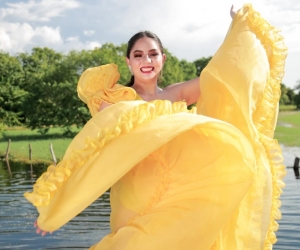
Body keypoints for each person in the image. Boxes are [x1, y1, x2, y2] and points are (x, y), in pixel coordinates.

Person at [24, 4, 287, 250]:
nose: (145, 60)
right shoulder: (114, 100)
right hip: (134, 195)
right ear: (128, 62)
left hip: (179, 193)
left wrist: (241, 28)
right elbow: (93, 152)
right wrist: (56, 208)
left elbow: (224, 78)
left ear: (163, 59)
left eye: (152, 54)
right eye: (138, 55)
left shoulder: (176, 94)